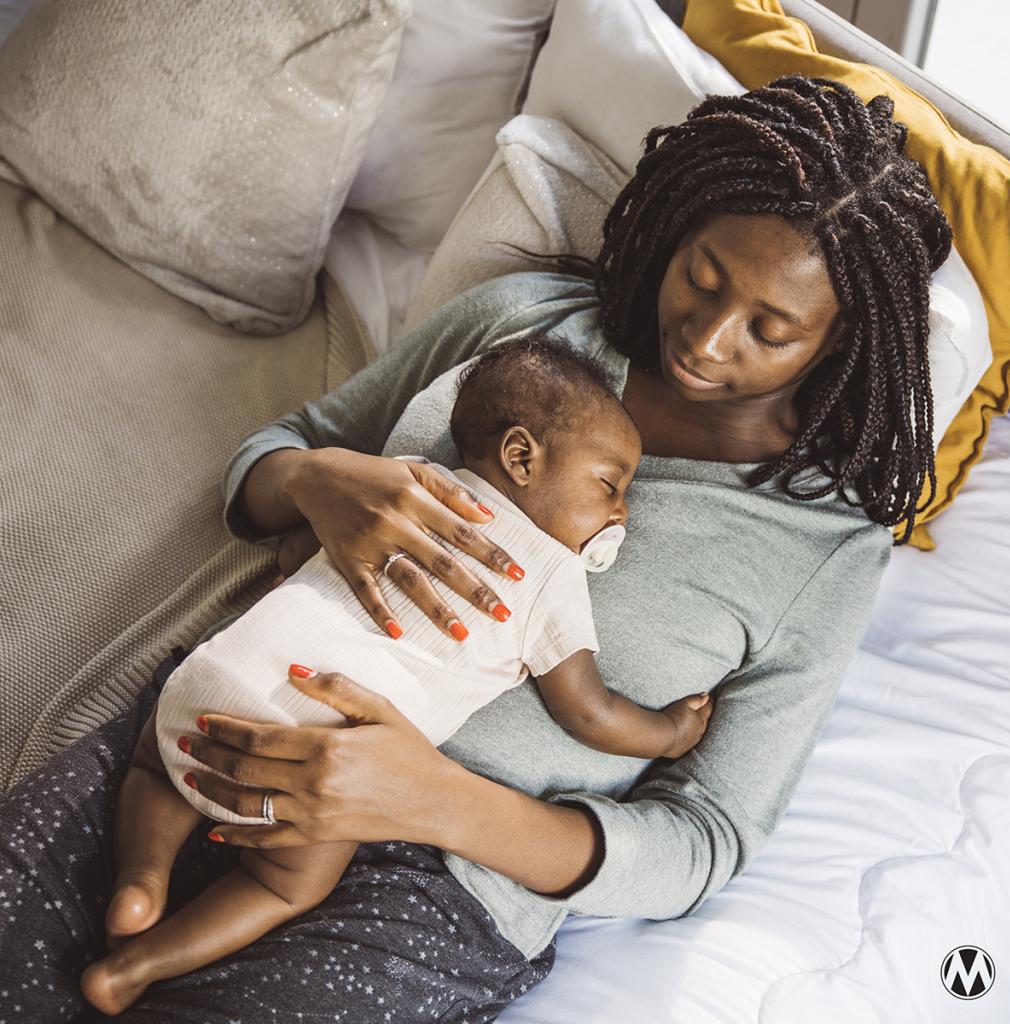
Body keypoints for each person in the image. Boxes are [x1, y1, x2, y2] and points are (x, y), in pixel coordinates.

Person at [0, 75, 952, 1023]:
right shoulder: (525, 327)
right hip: (243, 713)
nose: (706, 340)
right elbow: (276, 453)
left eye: (770, 330)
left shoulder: (822, 544)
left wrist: (433, 801)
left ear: (836, 343)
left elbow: (707, 840)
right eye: (701, 276)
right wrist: (313, 482)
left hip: (441, 884)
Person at [79, 337, 716, 1015]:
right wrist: (671, 732)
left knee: (154, 765)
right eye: (610, 485)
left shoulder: (408, 479)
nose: (623, 512)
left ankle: (141, 878)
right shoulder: (552, 578)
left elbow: (302, 545)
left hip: (216, 679)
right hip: (318, 757)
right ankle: (137, 964)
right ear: (522, 457)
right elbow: (587, 712)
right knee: (282, 883)